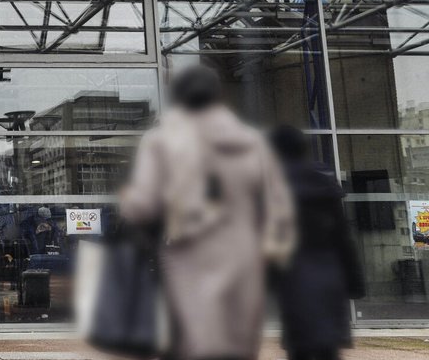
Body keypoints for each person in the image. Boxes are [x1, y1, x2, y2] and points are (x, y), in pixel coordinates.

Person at [120, 64, 294, 360]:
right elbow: (278, 207)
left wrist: (128, 201)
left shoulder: (160, 140)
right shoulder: (252, 141)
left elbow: (142, 206)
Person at [269, 125, 364, 360]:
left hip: (293, 276)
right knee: (327, 347)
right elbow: (342, 237)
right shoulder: (323, 181)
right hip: (328, 272)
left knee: (300, 347)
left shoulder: (274, 184)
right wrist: (354, 279)